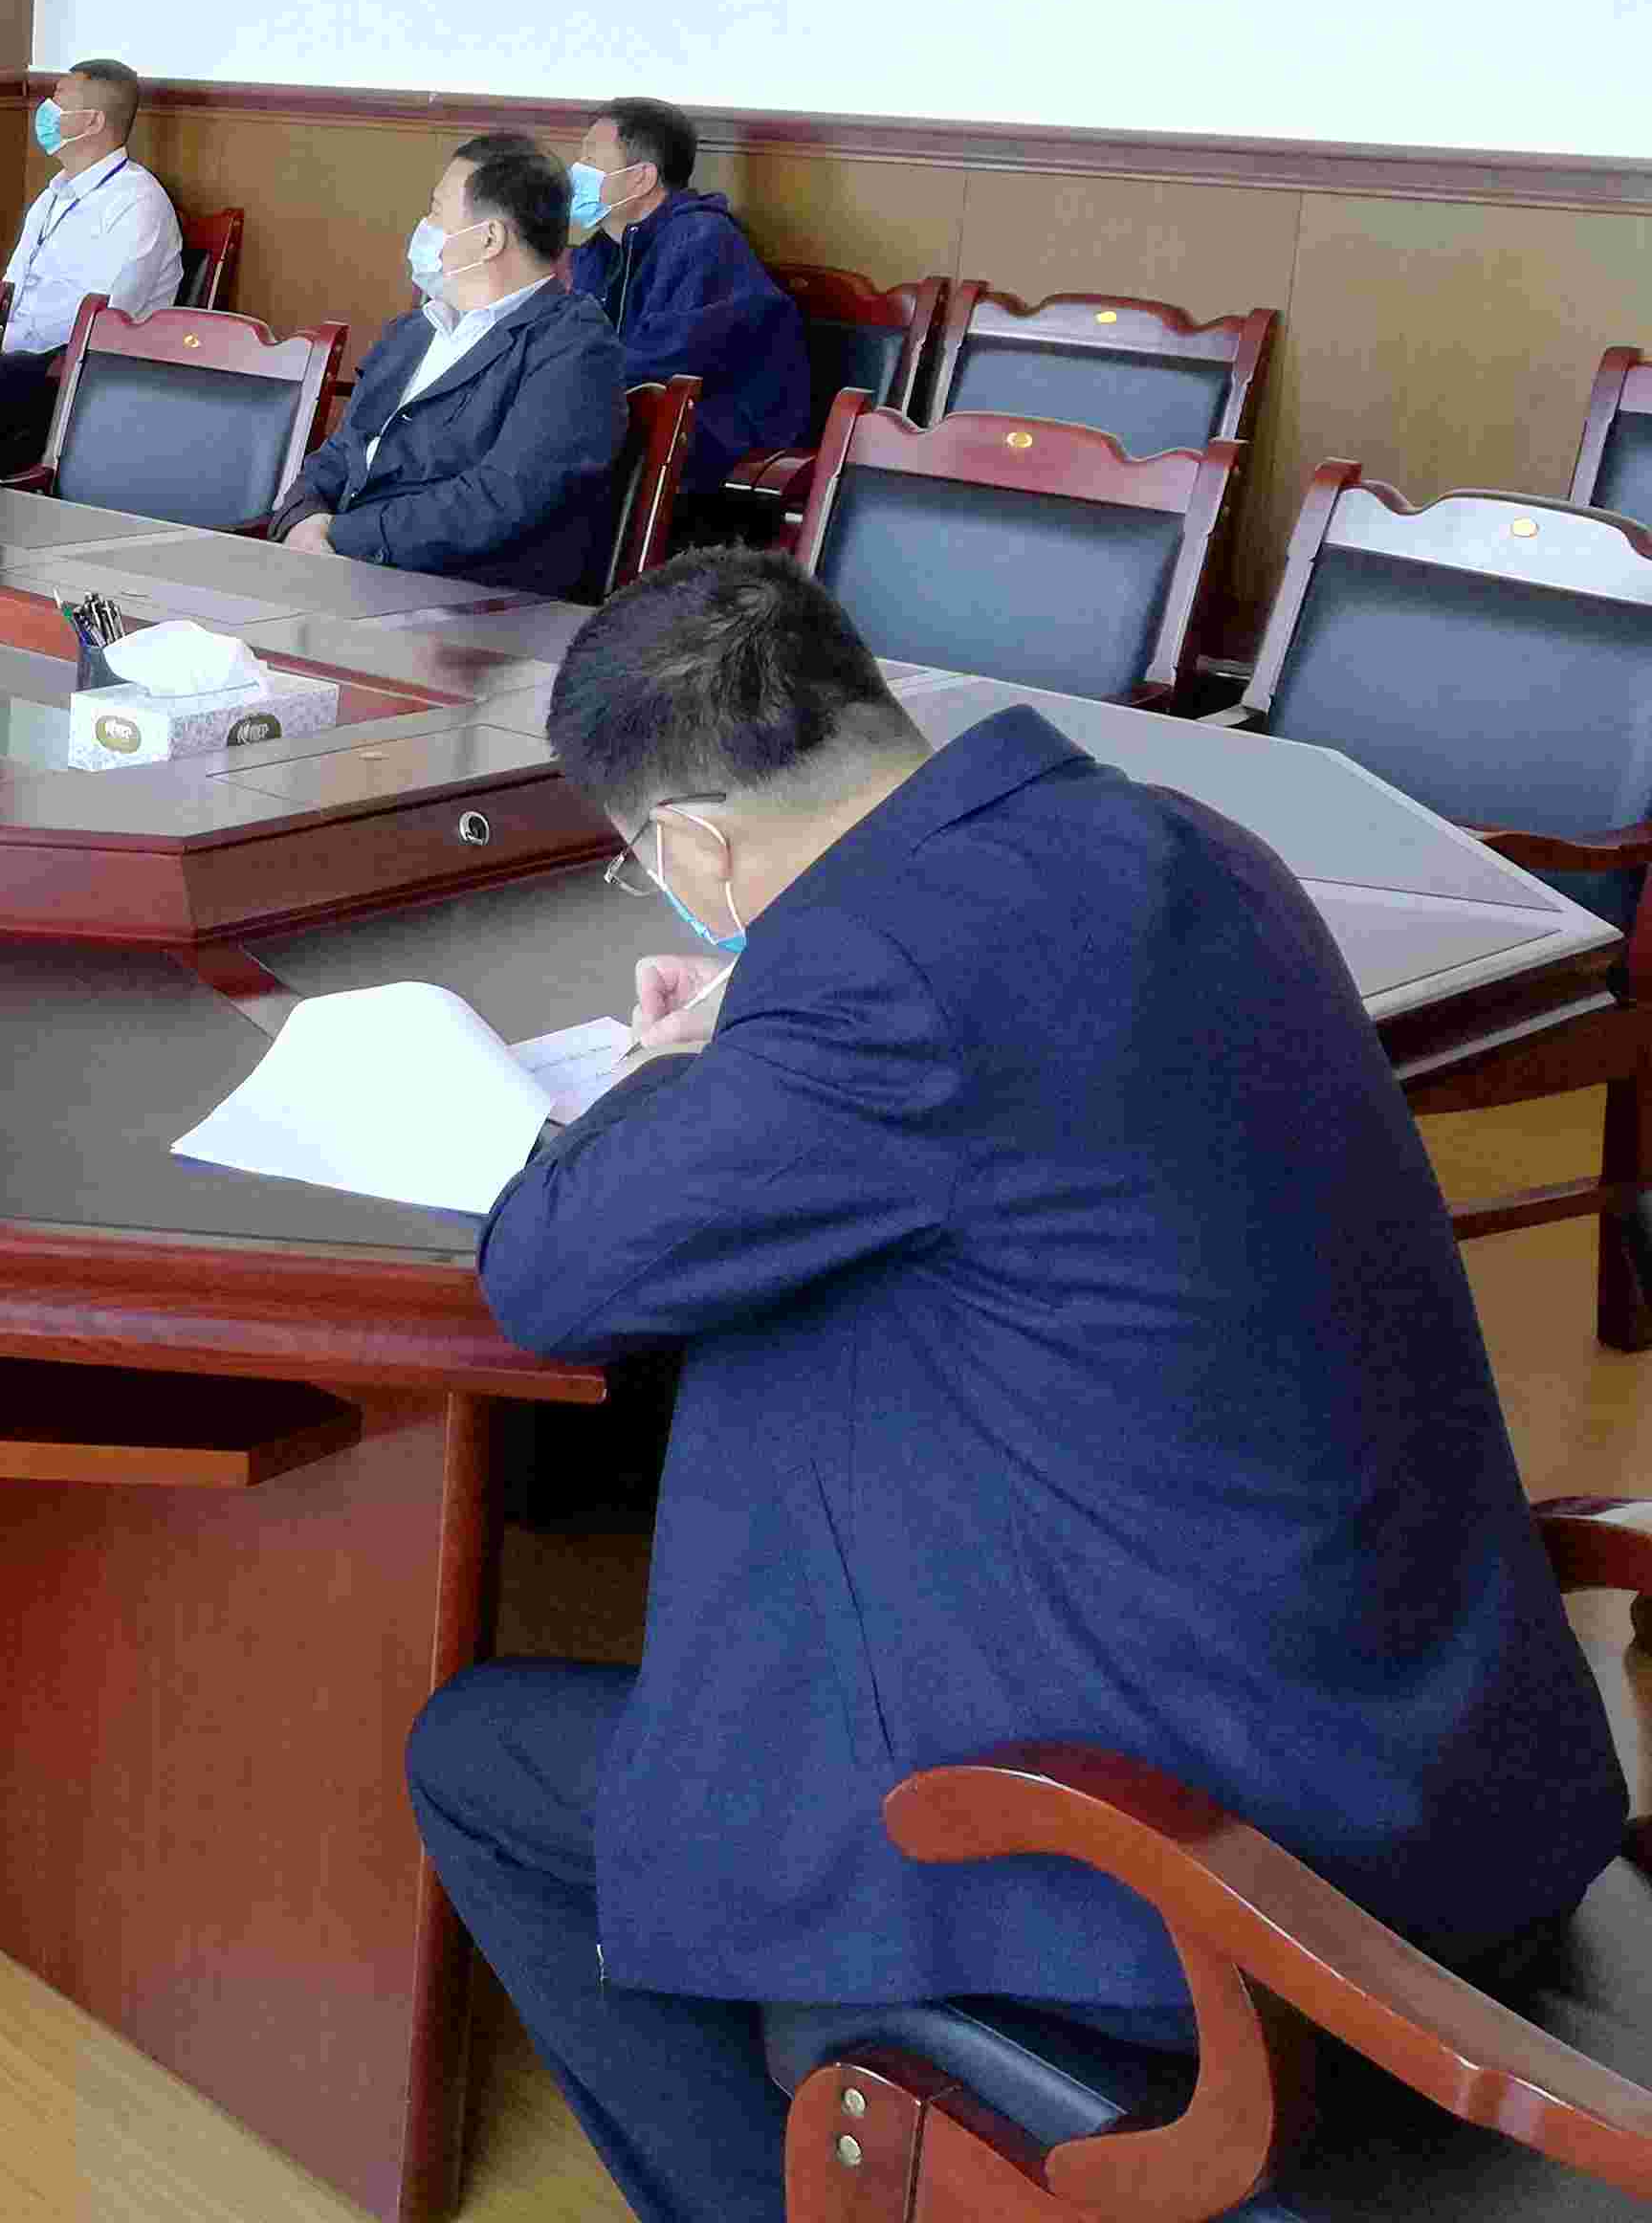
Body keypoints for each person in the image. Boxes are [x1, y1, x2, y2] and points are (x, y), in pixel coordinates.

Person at [407, 553, 1622, 2223]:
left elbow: (554, 1276)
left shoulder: (870, 985)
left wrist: (669, 1069)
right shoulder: (1182, 839)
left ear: (687, 847)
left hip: (1220, 1880)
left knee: (473, 1755)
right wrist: (765, 1032)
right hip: (1456, 1763)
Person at [276, 132, 630, 593]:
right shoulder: (411, 332)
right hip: (341, 574)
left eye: (436, 211)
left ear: (489, 238)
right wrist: (301, 518)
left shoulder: (574, 346)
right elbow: (343, 451)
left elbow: (503, 497)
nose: (424, 227)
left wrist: (339, 535)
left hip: (467, 603)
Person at [564, 98, 811, 504]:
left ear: (641, 178)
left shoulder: (702, 240)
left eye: (591, 158)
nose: (577, 171)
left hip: (722, 429)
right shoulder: (599, 249)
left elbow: (668, 359)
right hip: (641, 416)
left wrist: (556, 380)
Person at [0, 59, 185, 472]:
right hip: (15, 355)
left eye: (58, 100)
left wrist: (2, 341)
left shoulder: (138, 203)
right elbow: (11, 286)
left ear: (93, 120)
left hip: (75, 374)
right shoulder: (54, 194)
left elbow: (101, 319)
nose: (46, 111)